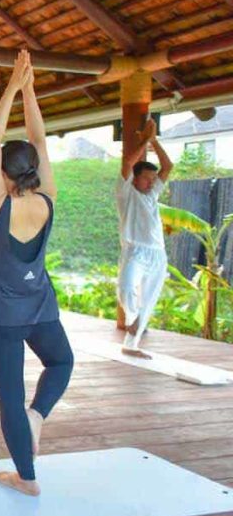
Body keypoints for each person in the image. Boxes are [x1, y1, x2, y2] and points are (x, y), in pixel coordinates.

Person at [0, 49, 74, 496]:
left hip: (1, 320)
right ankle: (39, 415)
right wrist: (30, 91)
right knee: (61, 361)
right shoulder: (47, 198)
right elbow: (40, 142)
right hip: (41, 309)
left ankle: (26, 478)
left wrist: (13, 87)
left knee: (9, 398)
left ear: (2, 174)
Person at [116, 117, 173, 359]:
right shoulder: (125, 192)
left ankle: (131, 344)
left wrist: (154, 141)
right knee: (126, 288)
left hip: (157, 252)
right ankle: (131, 319)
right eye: (147, 178)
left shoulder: (152, 194)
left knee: (149, 299)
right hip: (135, 251)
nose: (152, 182)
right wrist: (145, 142)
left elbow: (168, 166)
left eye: (153, 179)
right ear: (135, 179)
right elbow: (129, 162)